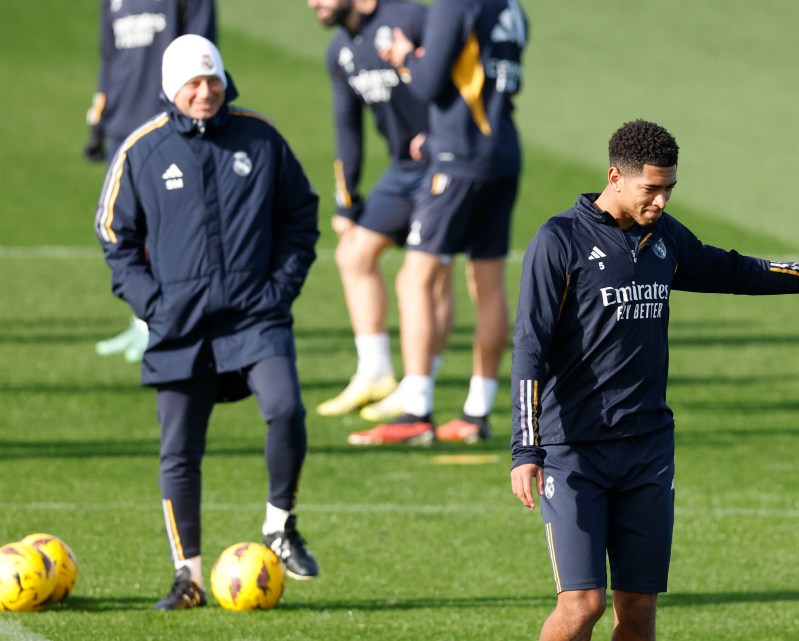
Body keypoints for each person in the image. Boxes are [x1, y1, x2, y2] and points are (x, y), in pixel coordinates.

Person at [510, 119, 799, 640]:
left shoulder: (665, 239)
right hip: (573, 449)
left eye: (669, 189)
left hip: (647, 448)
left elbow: (738, 272)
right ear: (615, 176)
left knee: (638, 610)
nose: (661, 201)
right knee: (582, 605)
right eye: (651, 189)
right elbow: (530, 347)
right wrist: (525, 450)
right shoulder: (559, 242)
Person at [94, 35, 321, 610]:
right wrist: (154, 305)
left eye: (212, 80)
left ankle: (279, 524)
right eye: (192, 83)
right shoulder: (140, 150)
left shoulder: (260, 135)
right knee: (179, 451)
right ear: (172, 89)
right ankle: (188, 576)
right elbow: (115, 235)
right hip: (181, 326)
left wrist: (279, 290)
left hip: (256, 315)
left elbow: (301, 215)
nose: (205, 92)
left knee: (286, 408)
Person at [349, 0, 529, 446]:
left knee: (416, 279)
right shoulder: (512, 7)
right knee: (488, 283)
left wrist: (404, 55)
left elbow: (428, 84)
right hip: (502, 153)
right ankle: (476, 413)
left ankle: (416, 409)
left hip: (459, 160)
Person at [307, 0, 456, 423]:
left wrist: (444, 132)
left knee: (430, 274)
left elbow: (461, 69)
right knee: (353, 254)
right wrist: (346, 201)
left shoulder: (412, 17)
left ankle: (419, 383)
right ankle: (374, 372)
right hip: (402, 171)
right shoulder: (340, 51)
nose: (312, 3)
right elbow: (347, 129)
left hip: (445, 164)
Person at [87, 0, 217, 364]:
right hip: (122, 127)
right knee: (129, 229)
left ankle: (168, 323)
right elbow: (109, 59)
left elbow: (203, 50)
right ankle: (142, 319)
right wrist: (98, 119)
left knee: (168, 231)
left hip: (165, 127)